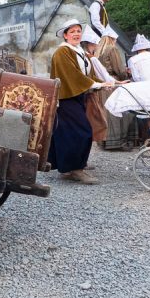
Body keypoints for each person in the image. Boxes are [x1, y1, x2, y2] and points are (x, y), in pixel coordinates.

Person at [49, 18, 109, 184]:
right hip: (66, 97)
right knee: (81, 131)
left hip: (77, 96)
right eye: (72, 31)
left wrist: (105, 83)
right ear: (65, 36)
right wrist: (96, 84)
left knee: (66, 132)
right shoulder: (62, 52)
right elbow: (72, 76)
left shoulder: (79, 51)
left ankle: (68, 167)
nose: (76, 34)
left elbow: (87, 75)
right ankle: (77, 169)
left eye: (78, 31)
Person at [82, 27, 133, 150]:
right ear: (112, 39)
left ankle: (104, 141)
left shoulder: (98, 52)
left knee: (104, 111)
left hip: (101, 85)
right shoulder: (111, 49)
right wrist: (125, 75)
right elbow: (117, 69)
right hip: (109, 84)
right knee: (114, 111)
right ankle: (115, 143)